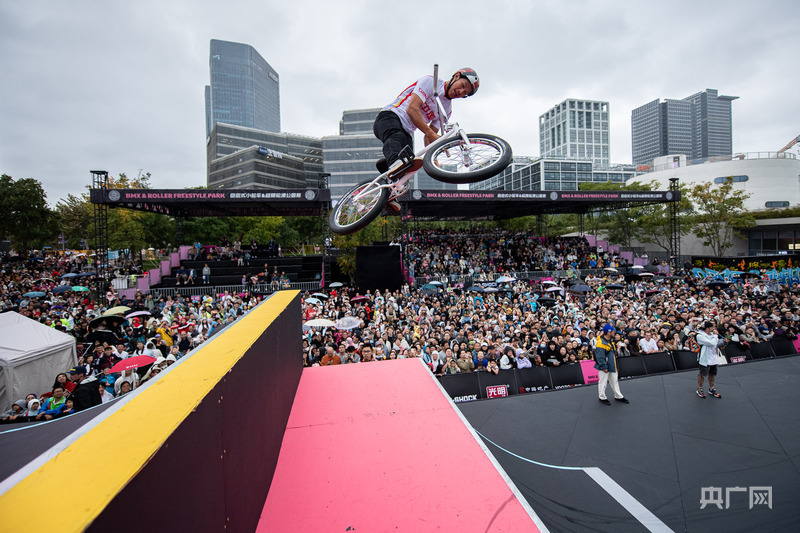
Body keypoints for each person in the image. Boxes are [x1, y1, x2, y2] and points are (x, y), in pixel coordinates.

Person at [373, 67, 479, 212]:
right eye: (462, 86)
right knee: (396, 139)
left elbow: (429, 136)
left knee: (409, 164)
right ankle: (392, 163)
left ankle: (388, 193)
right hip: (390, 116)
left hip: (407, 131)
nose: (460, 92)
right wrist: (431, 133)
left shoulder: (446, 109)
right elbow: (412, 109)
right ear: (456, 76)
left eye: (465, 93)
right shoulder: (431, 82)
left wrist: (434, 155)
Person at [594, 324, 629, 405]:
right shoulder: (600, 343)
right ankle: (602, 397)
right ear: (609, 332)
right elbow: (600, 357)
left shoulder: (610, 341)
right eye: (613, 331)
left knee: (614, 381)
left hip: (612, 365)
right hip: (605, 366)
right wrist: (603, 367)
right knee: (603, 382)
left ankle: (618, 396)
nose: (614, 332)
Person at [696, 321, 725, 398]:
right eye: (712, 327)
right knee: (702, 374)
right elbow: (711, 343)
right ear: (708, 328)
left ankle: (711, 388)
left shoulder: (712, 335)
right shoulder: (700, 336)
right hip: (705, 358)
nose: (714, 328)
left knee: (712, 374)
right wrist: (715, 336)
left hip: (714, 357)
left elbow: (716, 343)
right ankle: (700, 389)